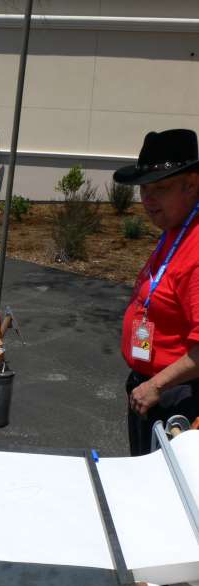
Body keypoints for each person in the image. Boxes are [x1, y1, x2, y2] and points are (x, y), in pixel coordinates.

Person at [113, 128, 199, 456]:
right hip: (152, 389)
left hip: (176, 397)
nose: (148, 200)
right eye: (144, 189)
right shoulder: (176, 229)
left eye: (160, 188)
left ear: (191, 184)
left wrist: (156, 386)